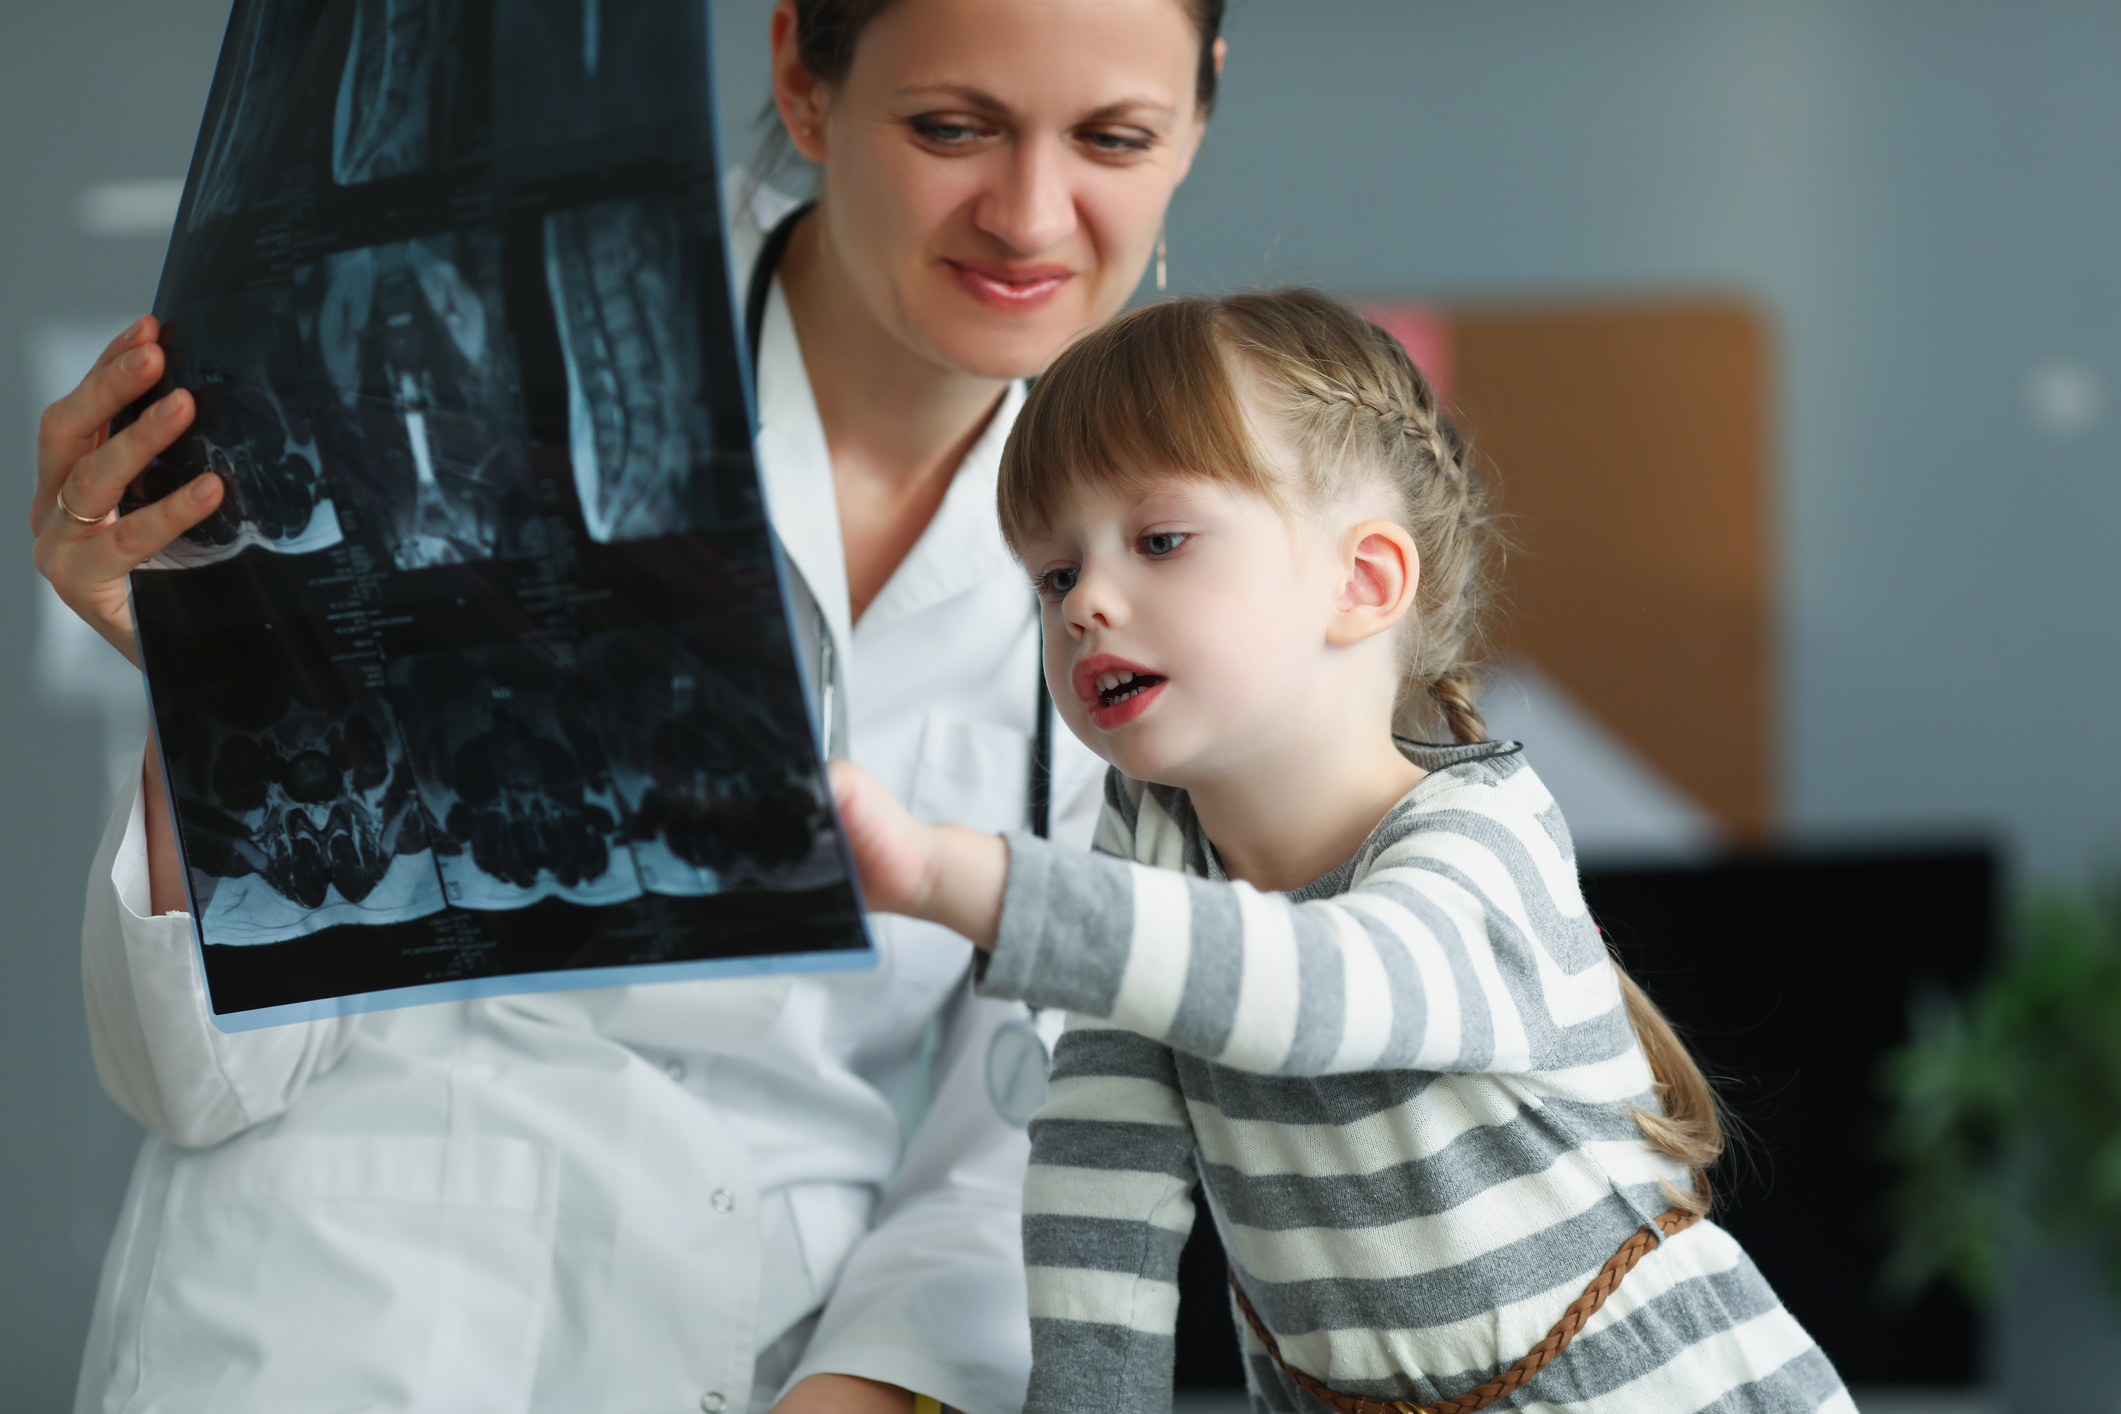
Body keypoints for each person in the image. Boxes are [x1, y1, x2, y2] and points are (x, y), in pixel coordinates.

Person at [28, 1, 1227, 1410]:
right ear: (799, 73)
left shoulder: (1181, 550)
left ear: (1200, 109)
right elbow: (202, 1077)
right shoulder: (463, 347)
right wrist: (215, 673)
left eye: (1112, 137)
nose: (1029, 214)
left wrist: (860, 1392)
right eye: (949, 127)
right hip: (336, 1316)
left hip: (756, 1353)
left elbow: (1022, 1149)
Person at [828, 289, 1855, 1414]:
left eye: (1159, 539)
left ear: (1363, 582)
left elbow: (1311, 989)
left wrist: (951, 878)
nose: (1087, 605)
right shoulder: (1154, 843)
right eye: (1056, 572)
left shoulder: (1484, 835)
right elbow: (1101, 1173)